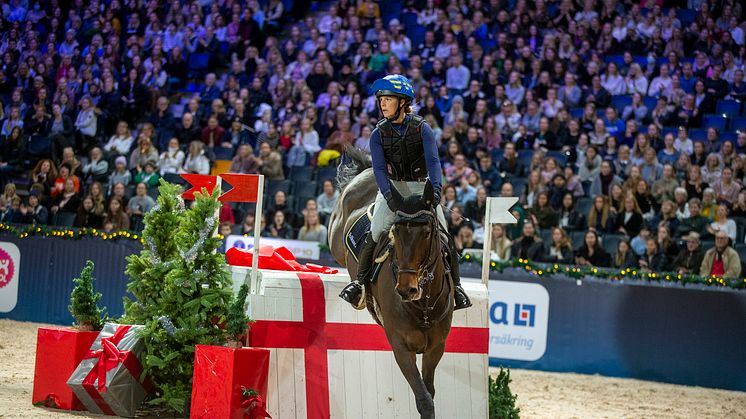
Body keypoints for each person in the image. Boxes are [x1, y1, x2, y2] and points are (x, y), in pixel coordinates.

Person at [339, 75, 470, 310]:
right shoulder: (378, 133)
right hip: (392, 188)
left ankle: (457, 288)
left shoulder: (423, 129)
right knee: (375, 232)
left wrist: (437, 190)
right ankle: (359, 284)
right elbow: (378, 169)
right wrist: (388, 195)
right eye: (381, 100)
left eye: (387, 99)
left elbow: (434, 162)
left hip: (421, 188)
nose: (382, 104)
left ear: (402, 102)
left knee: (443, 234)